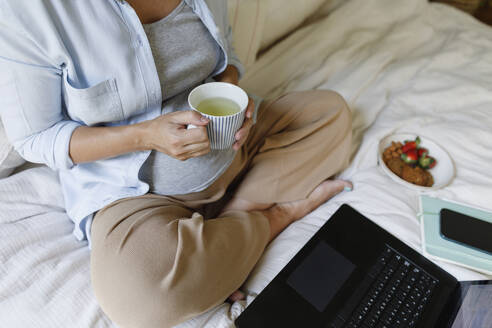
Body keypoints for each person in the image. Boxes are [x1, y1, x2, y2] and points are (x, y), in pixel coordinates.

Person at [0, 0, 352, 327]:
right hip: (136, 195)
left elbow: (226, 60)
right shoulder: (30, 11)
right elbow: (36, 137)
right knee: (140, 298)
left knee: (329, 114)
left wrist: (232, 97)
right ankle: (273, 218)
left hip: (232, 149)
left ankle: (236, 214)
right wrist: (145, 136)